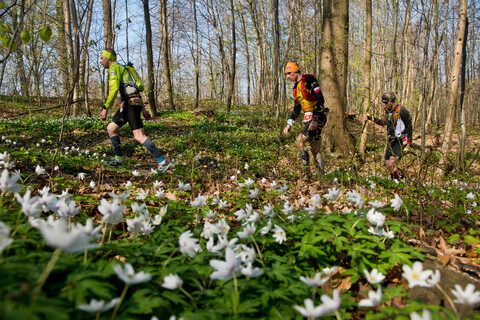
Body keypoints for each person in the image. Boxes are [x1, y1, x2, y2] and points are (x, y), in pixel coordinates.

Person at [99, 48, 171, 173]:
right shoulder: (124, 69)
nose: (100, 61)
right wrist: (143, 109)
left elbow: (114, 89)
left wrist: (105, 107)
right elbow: (134, 90)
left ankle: (163, 161)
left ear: (109, 58)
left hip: (130, 104)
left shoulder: (114, 68)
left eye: (101, 58)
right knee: (111, 128)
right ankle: (119, 161)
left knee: (139, 136)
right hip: (131, 103)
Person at [283, 61, 328, 176]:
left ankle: (307, 172)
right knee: (315, 147)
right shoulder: (296, 88)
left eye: (289, 73)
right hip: (309, 118)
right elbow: (297, 108)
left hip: (317, 115)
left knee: (300, 141)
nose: (288, 77)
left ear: (295, 71)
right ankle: (321, 174)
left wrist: (315, 119)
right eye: (286, 75)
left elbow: (320, 99)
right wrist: (289, 125)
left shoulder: (309, 80)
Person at [367, 91, 412, 180]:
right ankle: (398, 179)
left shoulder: (402, 111)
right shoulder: (386, 111)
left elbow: (409, 128)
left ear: (391, 101)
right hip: (390, 140)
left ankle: (398, 182)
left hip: (400, 140)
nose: (384, 104)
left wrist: (408, 144)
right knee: (388, 165)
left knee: (392, 163)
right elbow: (383, 122)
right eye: (383, 102)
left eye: (386, 102)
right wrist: (372, 118)